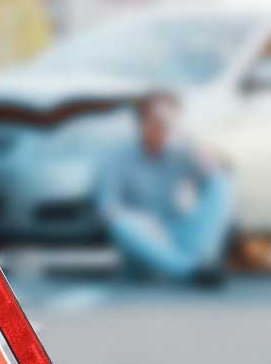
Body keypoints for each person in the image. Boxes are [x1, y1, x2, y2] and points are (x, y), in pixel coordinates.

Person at [97, 90, 234, 285]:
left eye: (168, 123)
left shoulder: (181, 150)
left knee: (222, 183)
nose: (162, 128)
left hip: (175, 231)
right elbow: (107, 209)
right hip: (143, 237)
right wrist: (145, 222)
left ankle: (195, 263)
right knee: (120, 224)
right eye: (157, 121)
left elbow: (215, 181)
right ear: (142, 123)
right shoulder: (117, 155)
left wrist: (198, 148)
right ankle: (189, 271)